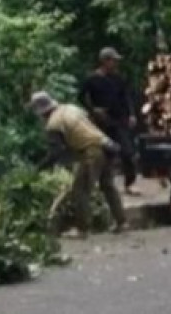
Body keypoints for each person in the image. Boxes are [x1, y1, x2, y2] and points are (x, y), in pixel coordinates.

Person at [30, 90, 128, 238]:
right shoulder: (71, 108)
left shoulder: (53, 124)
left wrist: (39, 168)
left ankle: (82, 229)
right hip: (105, 145)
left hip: (91, 152)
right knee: (108, 185)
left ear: (42, 112)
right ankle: (122, 222)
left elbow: (56, 152)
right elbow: (86, 127)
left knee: (80, 190)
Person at [80, 47, 140, 195]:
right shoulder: (92, 79)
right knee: (102, 154)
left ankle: (129, 183)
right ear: (105, 61)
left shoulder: (118, 78)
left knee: (128, 153)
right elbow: (81, 96)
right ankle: (101, 184)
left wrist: (131, 114)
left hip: (119, 120)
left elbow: (126, 96)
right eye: (113, 60)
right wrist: (93, 110)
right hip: (102, 122)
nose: (116, 64)